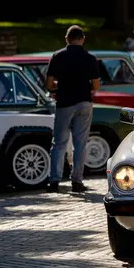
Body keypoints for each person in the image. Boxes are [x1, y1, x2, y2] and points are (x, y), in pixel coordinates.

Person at [45, 25, 100, 193]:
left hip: (64, 103)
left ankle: (54, 181)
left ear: (66, 39)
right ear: (82, 39)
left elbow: (49, 84)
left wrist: (56, 88)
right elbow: (95, 85)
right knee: (80, 144)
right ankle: (77, 181)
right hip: (84, 102)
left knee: (59, 143)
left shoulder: (57, 56)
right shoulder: (90, 58)